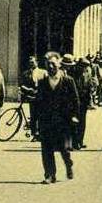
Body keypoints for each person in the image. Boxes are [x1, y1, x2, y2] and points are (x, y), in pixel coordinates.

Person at [35, 53, 80, 184]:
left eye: (53, 64)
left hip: (64, 121)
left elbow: (75, 100)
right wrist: (35, 123)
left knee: (64, 148)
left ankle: (68, 164)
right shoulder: (43, 82)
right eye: (48, 65)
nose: (50, 67)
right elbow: (38, 103)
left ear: (59, 65)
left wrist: (74, 115)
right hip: (47, 121)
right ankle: (50, 174)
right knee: (46, 148)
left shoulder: (68, 81)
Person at [68, 57, 92, 149]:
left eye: (85, 67)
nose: (84, 68)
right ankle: (74, 143)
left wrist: (89, 100)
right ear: (78, 66)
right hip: (74, 102)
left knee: (82, 123)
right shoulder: (72, 74)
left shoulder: (87, 74)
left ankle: (80, 141)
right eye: (82, 66)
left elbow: (89, 87)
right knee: (74, 122)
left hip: (84, 102)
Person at [20, 56, 46, 139]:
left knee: (41, 115)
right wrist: (28, 89)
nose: (31, 64)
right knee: (33, 115)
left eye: (33, 62)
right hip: (31, 96)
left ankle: (41, 133)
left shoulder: (43, 72)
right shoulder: (26, 73)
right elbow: (22, 85)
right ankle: (34, 133)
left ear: (37, 62)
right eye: (30, 63)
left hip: (41, 97)